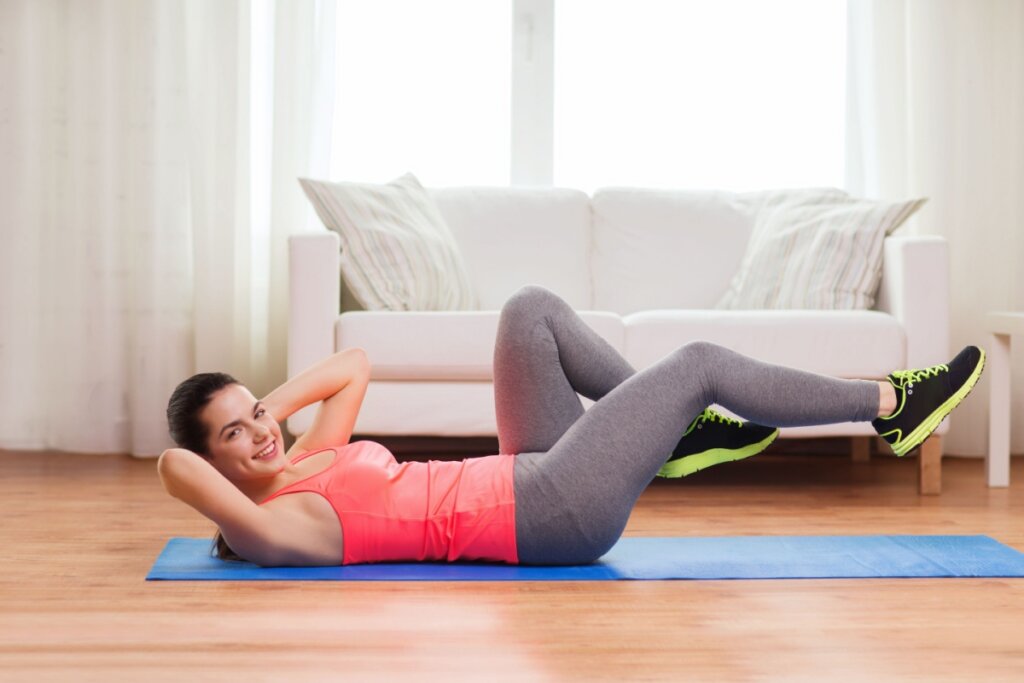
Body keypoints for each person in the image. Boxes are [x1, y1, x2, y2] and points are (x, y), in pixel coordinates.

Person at [159, 284, 986, 567]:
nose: (260, 431)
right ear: (214, 465)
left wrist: (261, 408)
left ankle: (674, 438)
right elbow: (172, 466)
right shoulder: (278, 527)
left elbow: (355, 364)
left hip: (523, 471)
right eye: (233, 435)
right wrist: (226, 451)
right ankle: (891, 407)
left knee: (530, 312)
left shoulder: (307, 458)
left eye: (257, 413)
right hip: (548, 512)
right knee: (698, 362)